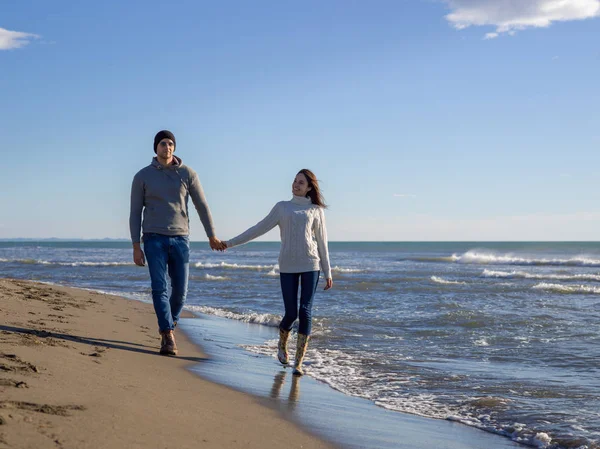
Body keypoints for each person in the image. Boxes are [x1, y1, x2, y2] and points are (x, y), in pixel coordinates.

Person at [225, 169, 332, 375]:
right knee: (291, 312)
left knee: (305, 310)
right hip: (287, 265)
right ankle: (282, 344)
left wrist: (328, 272)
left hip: (311, 264)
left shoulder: (316, 210)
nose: (296, 184)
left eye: (301, 182)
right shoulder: (282, 208)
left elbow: (322, 243)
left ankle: (298, 362)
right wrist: (230, 243)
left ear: (310, 187)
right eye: (294, 181)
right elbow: (258, 228)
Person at [130, 130, 225, 356]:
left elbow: (202, 205)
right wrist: (136, 245)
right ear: (156, 148)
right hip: (153, 238)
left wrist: (212, 235)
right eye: (163, 144)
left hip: (181, 238)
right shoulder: (142, 176)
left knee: (181, 292)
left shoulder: (187, 174)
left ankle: (169, 325)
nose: (167, 147)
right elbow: (135, 212)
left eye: (171, 143)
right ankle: (167, 334)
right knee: (159, 288)